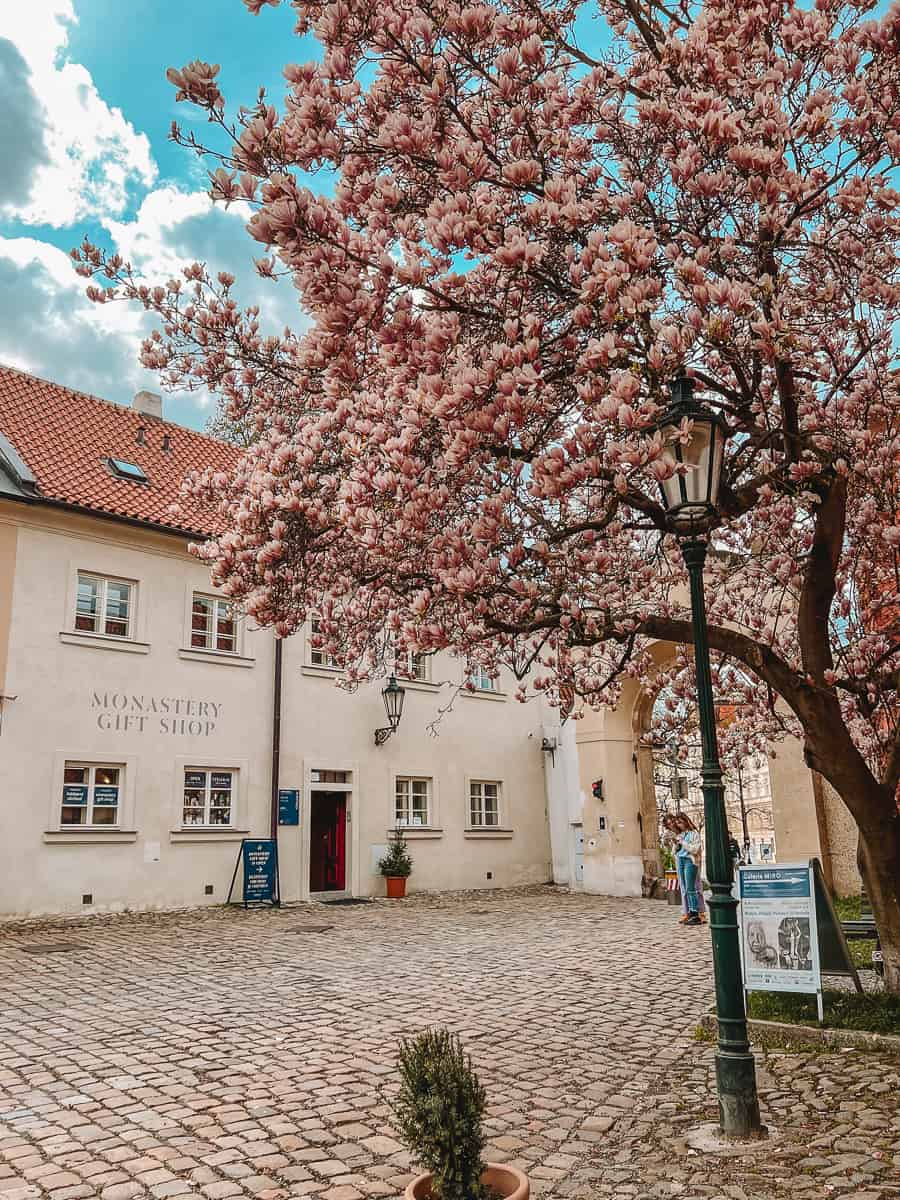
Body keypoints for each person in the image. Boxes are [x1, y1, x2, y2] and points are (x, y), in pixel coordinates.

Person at [662, 813, 706, 926]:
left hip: (689, 861)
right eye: (677, 823)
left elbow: (695, 849)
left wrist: (682, 842)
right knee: (685, 888)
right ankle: (690, 912)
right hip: (680, 860)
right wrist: (675, 844)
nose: (678, 825)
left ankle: (696, 913)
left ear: (686, 822)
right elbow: (673, 852)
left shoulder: (693, 834)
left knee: (692, 887)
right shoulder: (681, 834)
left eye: (680, 822)